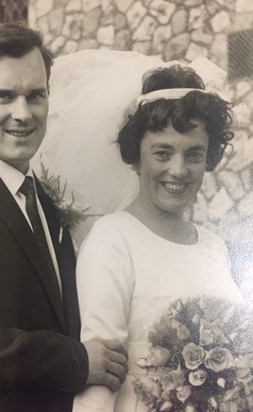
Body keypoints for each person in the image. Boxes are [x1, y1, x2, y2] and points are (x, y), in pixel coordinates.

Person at [0, 22, 128, 412]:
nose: (23, 114)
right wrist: (77, 361)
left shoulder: (43, 199)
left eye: (35, 96)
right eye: (4, 96)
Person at [73, 65, 246, 411]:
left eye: (194, 154)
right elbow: (100, 380)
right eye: (162, 153)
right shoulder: (113, 240)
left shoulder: (214, 248)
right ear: (136, 157)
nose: (179, 170)